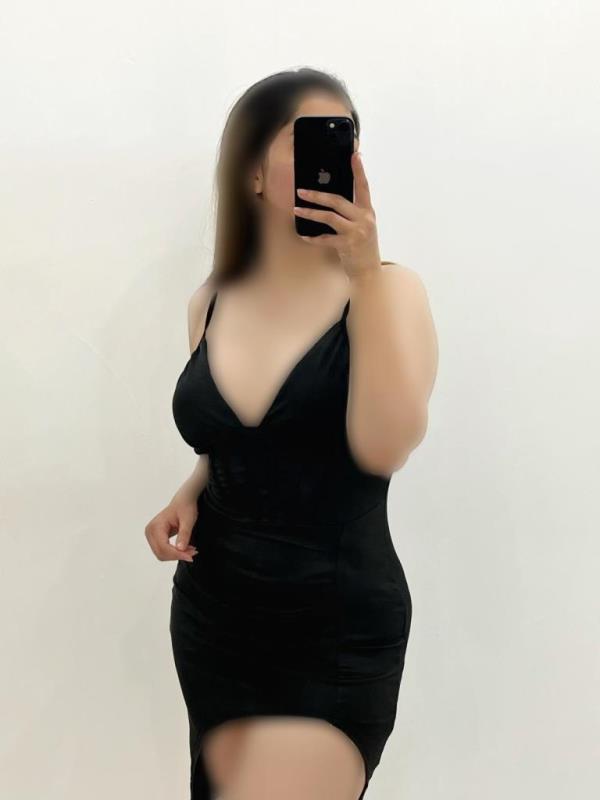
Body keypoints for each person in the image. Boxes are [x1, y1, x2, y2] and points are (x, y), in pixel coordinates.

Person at [145, 67, 438, 800]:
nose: (338, 157)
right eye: (308, 138)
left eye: (347, 138)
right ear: (251, 172)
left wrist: (363, 275)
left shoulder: (391, 290)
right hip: (214, 611)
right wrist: (190, 488)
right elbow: (238, 442)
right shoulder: (210, 302)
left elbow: (386, 447)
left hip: (333, 621)